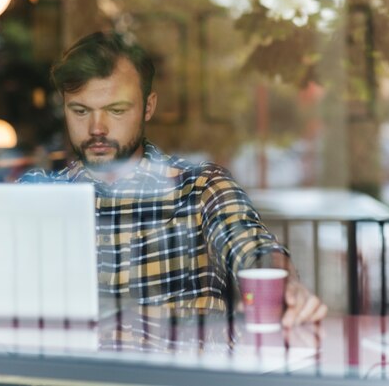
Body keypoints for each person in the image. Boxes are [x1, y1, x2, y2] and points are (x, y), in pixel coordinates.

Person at [20, 31, 327, 326]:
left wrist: (283, 285)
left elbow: (252, 246)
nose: (96, 127)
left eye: (115, 110)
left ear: (148, 107)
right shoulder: (39, 196)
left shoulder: (202, 187)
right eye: (81, 111)